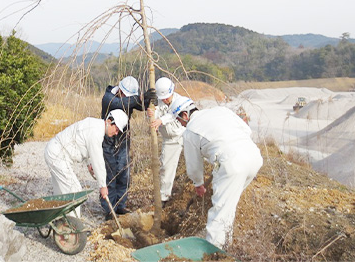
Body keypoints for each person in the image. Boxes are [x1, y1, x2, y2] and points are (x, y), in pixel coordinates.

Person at [171, 96, 264, 249]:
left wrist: (198, 184)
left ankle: (215, 252)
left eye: (179, 120)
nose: (180, 124)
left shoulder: (191, 130)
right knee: (228, 205)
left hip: (232, 164)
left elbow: (194, 165)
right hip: (253, 156)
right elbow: (247, 130)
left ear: (185, 115)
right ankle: (226, 243)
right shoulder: (221, 111)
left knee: (220, 211)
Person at [44, 109, 129, 217]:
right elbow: (98, 159)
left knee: (61, 193)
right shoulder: (96, 132)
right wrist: (103, 185)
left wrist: (89, 163)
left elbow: (82, 142)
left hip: (55, 152)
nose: (116, 133)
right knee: (74, 190)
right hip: (57, 155)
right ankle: (73, 227)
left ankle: (61, 223)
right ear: (109, 121)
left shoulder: (95, 125)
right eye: (116, 129)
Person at [100, 76, 156, 219]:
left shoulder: (129, 99)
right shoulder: (109, 97)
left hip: (123, 138)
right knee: (110, 174)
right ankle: (109, 208)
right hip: (108, 139)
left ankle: (120, 205)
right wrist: (140, 97)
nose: (126, 97)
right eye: (125, 94)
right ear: (120, 90)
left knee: (124, 173)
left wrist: (147, 99)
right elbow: (120, 103)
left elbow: (140, 105)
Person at [147, 77, 184, 205]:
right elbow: (155, 114)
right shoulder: (158, 102)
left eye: (167, 97)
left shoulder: (179, 100)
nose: (165, 100)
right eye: (163, 98)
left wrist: (161, 120)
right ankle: (164, 197)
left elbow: (173, 113)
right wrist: (151, 114)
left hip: (183, 135)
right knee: (166, 168)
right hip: (169, 140)